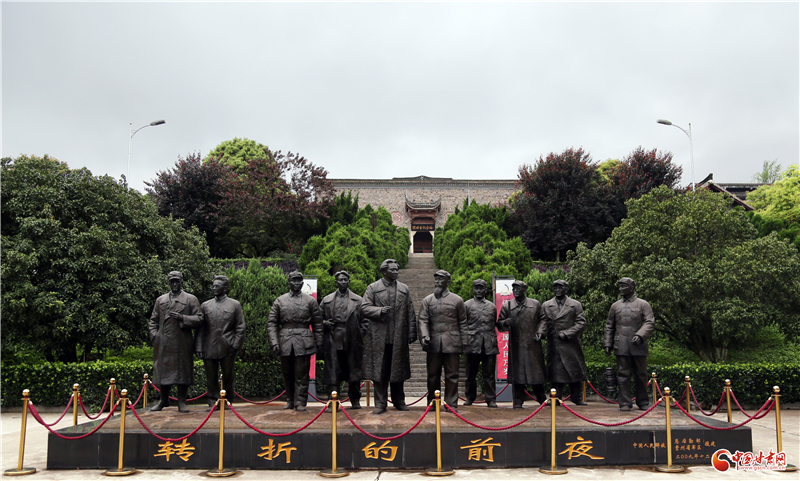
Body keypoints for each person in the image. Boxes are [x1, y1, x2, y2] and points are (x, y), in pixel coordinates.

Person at [361, 259, 417, 414]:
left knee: (398, 370)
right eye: (392, 270)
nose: (396, 272)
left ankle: (399, 401)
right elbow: (364, 308)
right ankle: (380, 403)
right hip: (379, 337)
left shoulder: (404, 289)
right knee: (380, 372)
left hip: (398, 336)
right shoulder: (373, 288)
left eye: (397, 269)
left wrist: (412, 332)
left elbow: (410, 312)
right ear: (384, 271)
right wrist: (379, 311)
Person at [267, 271, 324, 411]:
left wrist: (319, 342)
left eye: (299, 281)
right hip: (285, 341)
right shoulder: (280, 300)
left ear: (303, 283)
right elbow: (272, 323)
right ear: (289, 283)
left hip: (304, 340)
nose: (297, 283)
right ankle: (290, 400)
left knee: (302, 374)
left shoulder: (310, 301)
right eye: (294, 280)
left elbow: (318, 323)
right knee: (287, 373)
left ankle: (300, 402)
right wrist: (274, 342)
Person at [148, 271, 202, 412]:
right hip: (163, 342)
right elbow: (153, 321)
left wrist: (183, 318)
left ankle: (182, 401)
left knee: (182, 371)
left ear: (181, 282)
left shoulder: (190, 299)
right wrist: (155, 337)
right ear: (169, 283)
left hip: (182, 342)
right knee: (163, 371)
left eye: (177, 281)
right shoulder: (161, 300)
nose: (175, 284)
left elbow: (200, 318)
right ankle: (163, 400)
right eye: (172, 282)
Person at [419, 270, 467, 411]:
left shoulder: (457, 300)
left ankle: (451, 404)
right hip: (433, 344)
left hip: (452, 343)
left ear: (448, 281)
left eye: (441, 279)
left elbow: (463, 322)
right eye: (436, 279)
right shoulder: (427, 300)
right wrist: (424, 336)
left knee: (452, 375)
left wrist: (465, 343)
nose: (437, 282)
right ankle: (433, 402)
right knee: (432, 375)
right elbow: (422, 320)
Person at [604, 277, 655, 411]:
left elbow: (649, 322)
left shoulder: (643, 304)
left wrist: (640, 335)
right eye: (620, 286)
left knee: (641, 375)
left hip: (639, 345)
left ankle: (643, 401)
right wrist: (608, 343)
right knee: (623, 375)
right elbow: (609, 326)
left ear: (632, 287)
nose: (621, 289)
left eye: (624, 286)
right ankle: (625, 402)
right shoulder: (615, 306)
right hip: (621, 345)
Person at [195, 275, 245, 410]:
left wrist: (235, 344)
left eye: (217, 286)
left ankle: (228, 401)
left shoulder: (234, 305)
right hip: (208, 346)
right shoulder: (205, 305)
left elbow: (240, 326)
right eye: (213, 286)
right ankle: (213, 401)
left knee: (228, 375)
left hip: (227, 346)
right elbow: (200, 328)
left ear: (225, 288)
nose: (214, 288)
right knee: (211, 376)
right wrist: (199, 347)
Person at [496, 280, 547, 408]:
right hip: (516, 346)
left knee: (536, 374)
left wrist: (540, 332)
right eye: (514, 289)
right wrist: (505, 323)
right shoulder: (508, 305)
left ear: (524, 290)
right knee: (517, 375)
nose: (515, 291)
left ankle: (542, 399)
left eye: (518, 288)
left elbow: (543, 319)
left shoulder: (535, 304)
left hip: (532, 345)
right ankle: (518, 401)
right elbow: (499, 323)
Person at [320, 271, 366, 410]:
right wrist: (325, 323)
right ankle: (333, 401)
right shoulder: (327, 300)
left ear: (349, 282)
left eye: (345, 280)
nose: (343, 282)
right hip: (333, 338)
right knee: (333, 370)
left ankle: (355, 400)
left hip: (352, 339)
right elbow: (317, 318)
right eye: (340, 280)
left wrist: (359, 333)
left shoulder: (358, 300)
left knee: (354, 370)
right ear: (336, 282)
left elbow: (366, 320)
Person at [542, 279, 588, 406]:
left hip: (571, 343)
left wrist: (568, 333)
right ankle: (555, 397)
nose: (557, 290)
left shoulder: (575, 304)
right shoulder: (546, 305)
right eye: (555, 287)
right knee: (556, 372)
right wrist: (540, 333)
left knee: (574, 370)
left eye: (560, 287)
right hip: (554, 344)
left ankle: (576, 397)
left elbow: (581, 323)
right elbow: (542, 322)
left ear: (566, 289)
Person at [463, 279, 499, 408]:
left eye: (481, 288)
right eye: (476, 288)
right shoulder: (467, 305)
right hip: (472, 343)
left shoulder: (492, 306)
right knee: (470, 374)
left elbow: (495, 323)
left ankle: (491, 399)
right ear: (473, 290)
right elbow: (463, 325)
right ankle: (469, 397)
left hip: (489, 344)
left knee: (489, 374)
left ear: (485, 290)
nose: (478, 291)